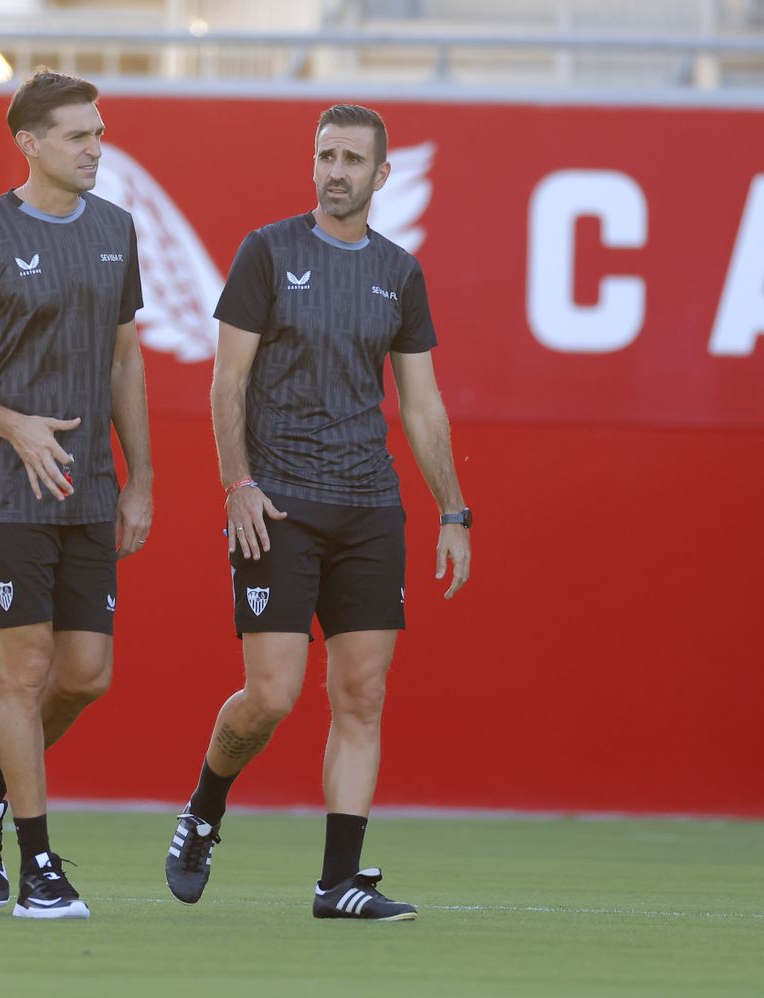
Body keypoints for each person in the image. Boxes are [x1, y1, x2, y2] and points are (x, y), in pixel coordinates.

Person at [163, 104, 470, 921]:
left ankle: (338, 883)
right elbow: (227, 383)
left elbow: (422, 403)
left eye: (351, 159)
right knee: (271, 695)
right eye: (324, 155)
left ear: (382, 175)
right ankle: (204, 810)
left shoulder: (400, 272)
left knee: (362, 695)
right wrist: (239, 486)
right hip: (279, 503)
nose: (335, 170)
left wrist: (454, 511)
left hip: (370, 506)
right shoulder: (268, 251)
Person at [0, 69, 152, 919]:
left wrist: (142, 478)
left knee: (85, 676)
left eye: (99, 132)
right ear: (29, 143)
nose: (96, 147)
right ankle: (39, 865)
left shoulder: (117, 231)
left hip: (91, 491)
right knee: (27, 671)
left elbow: (126, 358)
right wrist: (12, 425)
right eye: (78, 135)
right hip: (7, 491)